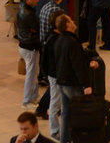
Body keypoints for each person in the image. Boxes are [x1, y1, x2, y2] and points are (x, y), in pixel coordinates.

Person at [55, 14, 99, 143]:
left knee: (66, 113)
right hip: (72, 83)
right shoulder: (72, 42)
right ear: (67, 25)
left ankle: (64, 140)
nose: (73, 21)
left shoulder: (59, 40)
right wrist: (86, 85)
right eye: (70, 20)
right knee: (81, 114)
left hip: (62, 81)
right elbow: (77, 65)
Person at [39, 8, 64, 140]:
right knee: (55, 102)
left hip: (53, 74)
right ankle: (55, 131)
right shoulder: (55, 39)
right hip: (55, 75)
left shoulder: (50, 36)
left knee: (57, 101)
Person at [18, 0, 42, 108]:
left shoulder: (22, 8)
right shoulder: (29, 14)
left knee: (34, 73)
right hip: (30, 47)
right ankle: (26, 101)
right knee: (31, 75)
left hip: (25, 45)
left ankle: (33, 98)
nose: (37, 1)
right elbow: (36, 29)